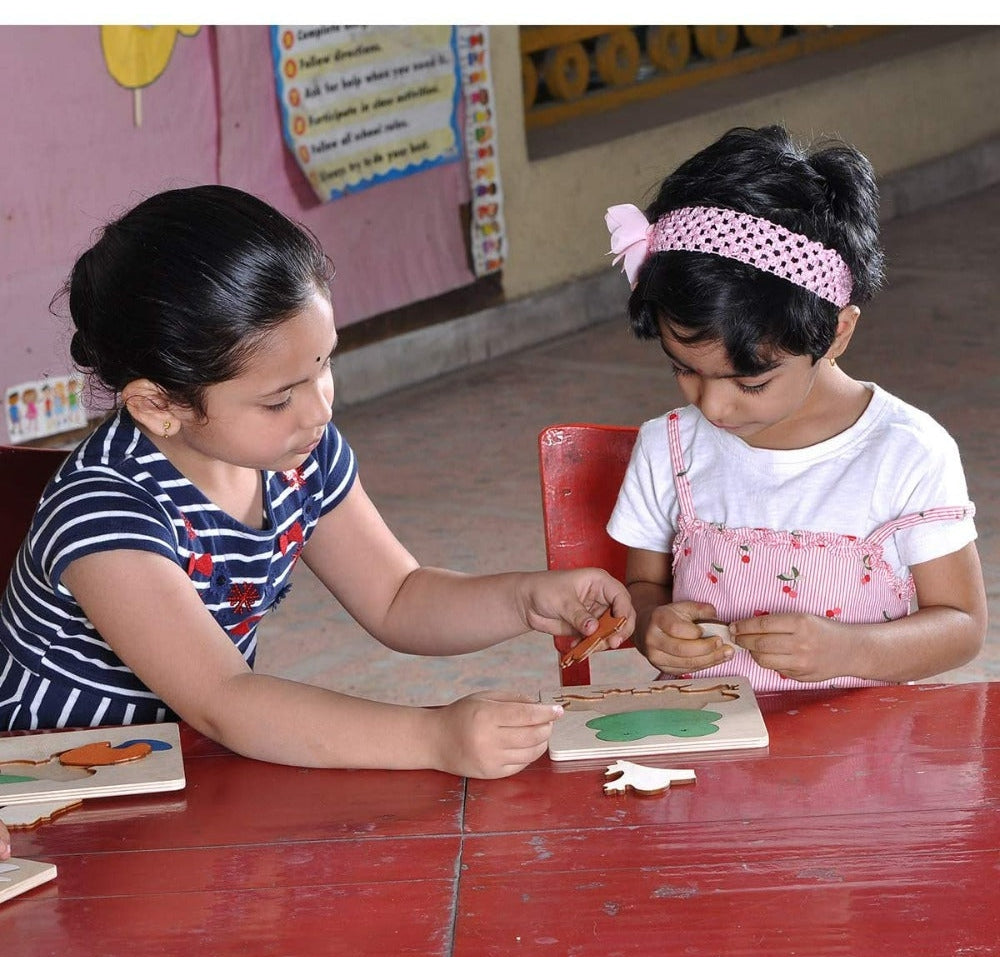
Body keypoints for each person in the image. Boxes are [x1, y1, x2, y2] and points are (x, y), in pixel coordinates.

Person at [0, 185, 634, 779]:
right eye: (279, 399)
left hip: (184, 762)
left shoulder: (297, 453)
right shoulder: (107, 511)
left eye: (323, 364)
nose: (319, 410)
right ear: (158, 405)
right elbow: (228, 701)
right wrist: (435, 737)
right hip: (58, 781)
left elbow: (397, 597)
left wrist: (525, 600)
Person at [604, 124, 986, 691]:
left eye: (750, 383)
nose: (713, 406)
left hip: (864, 757)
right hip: (712, 744)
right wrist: (652, 628)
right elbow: (645, 589)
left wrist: (849, 650)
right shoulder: (670, 449)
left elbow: (962, 627)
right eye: (684, 369)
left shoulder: (907, 452)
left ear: (835, 335)